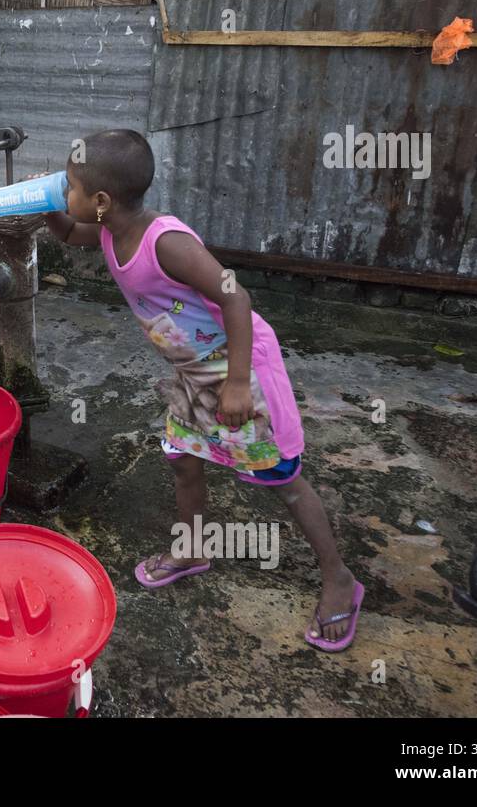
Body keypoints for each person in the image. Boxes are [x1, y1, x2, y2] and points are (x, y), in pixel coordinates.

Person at [40, 130, 365, 651]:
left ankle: (340, 580)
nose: (66, 192)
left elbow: (238, 297)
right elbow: (65, 234)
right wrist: (47, 204)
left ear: (101, 201)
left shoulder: (164, 242)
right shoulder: (106, 229)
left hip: (239, 368)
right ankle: (192, 549)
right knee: (183, 461)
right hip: (194, 372)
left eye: (71, 187)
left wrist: (237, 384)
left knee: (283, 478)